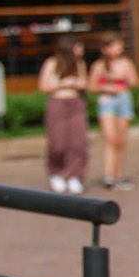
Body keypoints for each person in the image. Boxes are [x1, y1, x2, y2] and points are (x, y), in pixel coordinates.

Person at [88, 33, 139, 191]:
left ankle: (118, 176)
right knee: (110, 138)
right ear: (105, 49)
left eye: (119, 45)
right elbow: (91, 86)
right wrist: (105, 87)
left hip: (124, 100)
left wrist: (121, 78)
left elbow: (135, 82)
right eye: (114, 46)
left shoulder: (126, 63)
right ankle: (108, 175)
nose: (118, 49)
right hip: (107, 101)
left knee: (120, 140)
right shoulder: (99, 65)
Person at [38, 37, 89, 194]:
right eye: (78, 47)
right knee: (57, 143)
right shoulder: (52, 63)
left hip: (75, 103)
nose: (81, 51)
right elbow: (43, 86)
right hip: (58, 103)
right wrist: (63, 83)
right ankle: (55, 173)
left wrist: (78, 84)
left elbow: (84, 82)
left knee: (78, 143)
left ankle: (75, 176)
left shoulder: (79, 64)